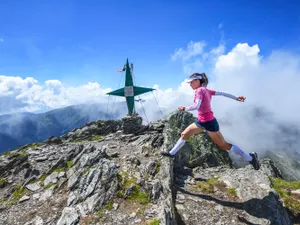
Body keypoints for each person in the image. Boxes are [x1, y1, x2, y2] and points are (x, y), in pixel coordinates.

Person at [160, 73, 260, 170]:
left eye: (191, 82)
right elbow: (223, 94)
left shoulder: (200, 91)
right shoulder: (206, 90)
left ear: (197, 81)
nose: (190, 84)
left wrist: (184, 108)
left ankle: (251, 158)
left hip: (209, 123)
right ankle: (171, 154)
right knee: (184, 134)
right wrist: (236, 98)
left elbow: (196, 106)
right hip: (200, 122)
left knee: (224, 145)